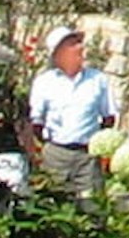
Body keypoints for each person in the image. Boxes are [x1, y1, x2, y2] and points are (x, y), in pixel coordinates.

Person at [24, 24, 118, 197]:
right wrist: (47, 148)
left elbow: (109, 117)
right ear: (58, 53)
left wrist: (97, 145)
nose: (80, 48)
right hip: (56, 155)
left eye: (79, 43)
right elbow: (36, 121)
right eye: (73, 44)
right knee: (54, 204)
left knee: (93, 207)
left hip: (87, 157)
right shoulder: (44, 82)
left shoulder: (98, 80)